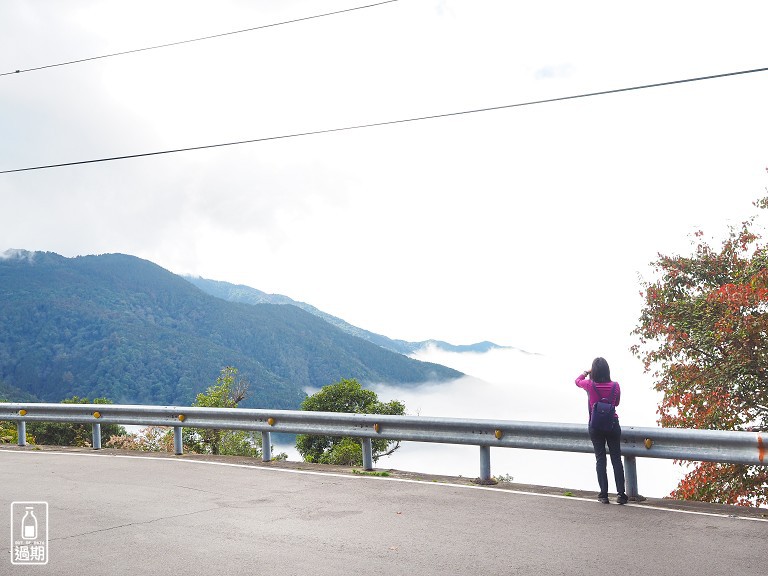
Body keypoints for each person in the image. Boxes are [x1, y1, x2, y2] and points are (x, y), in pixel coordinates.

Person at [575, 357, 628, 504]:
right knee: (616, 459)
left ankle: (603, 495)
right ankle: (621, 494)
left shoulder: (589, 385)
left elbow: (577, 381)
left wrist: (586, 372)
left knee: (600, 459)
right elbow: (616, 403)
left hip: (595, 425)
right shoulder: (615, 386)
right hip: (612, 423)